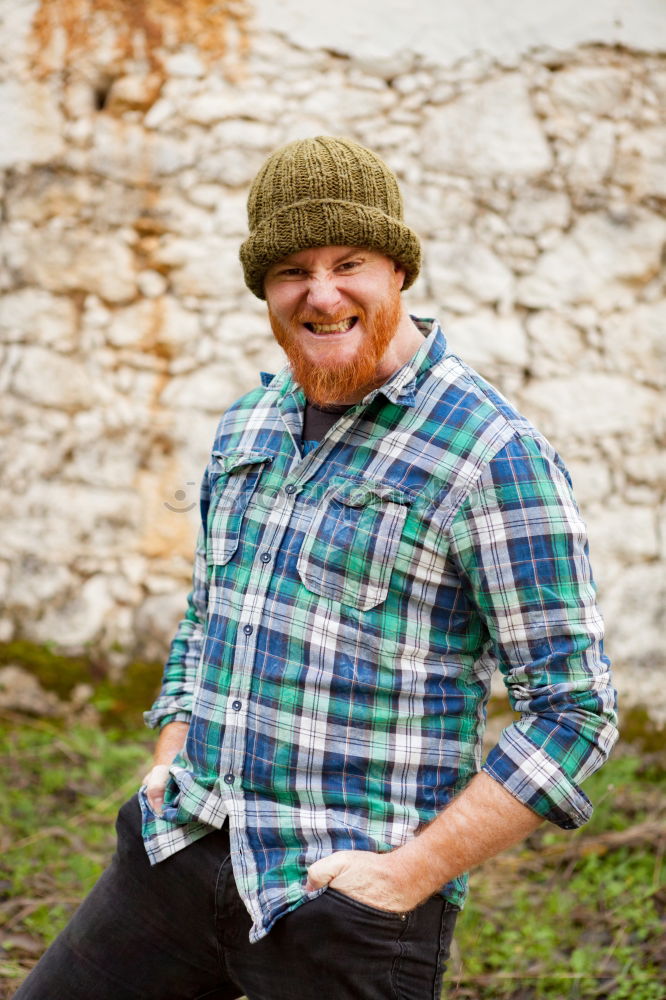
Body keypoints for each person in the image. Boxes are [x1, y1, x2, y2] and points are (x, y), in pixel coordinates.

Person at [15, 136, 618, 1000]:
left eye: (350, 262)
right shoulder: (249, 426)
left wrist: (404, 877)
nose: (322, 292)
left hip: (344, 900)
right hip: (181, 845)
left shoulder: (490, 456)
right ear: (264, 286)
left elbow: (576, 709)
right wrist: (170, 756)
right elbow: (208, 616)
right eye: (293, 268)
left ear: (399, 271)